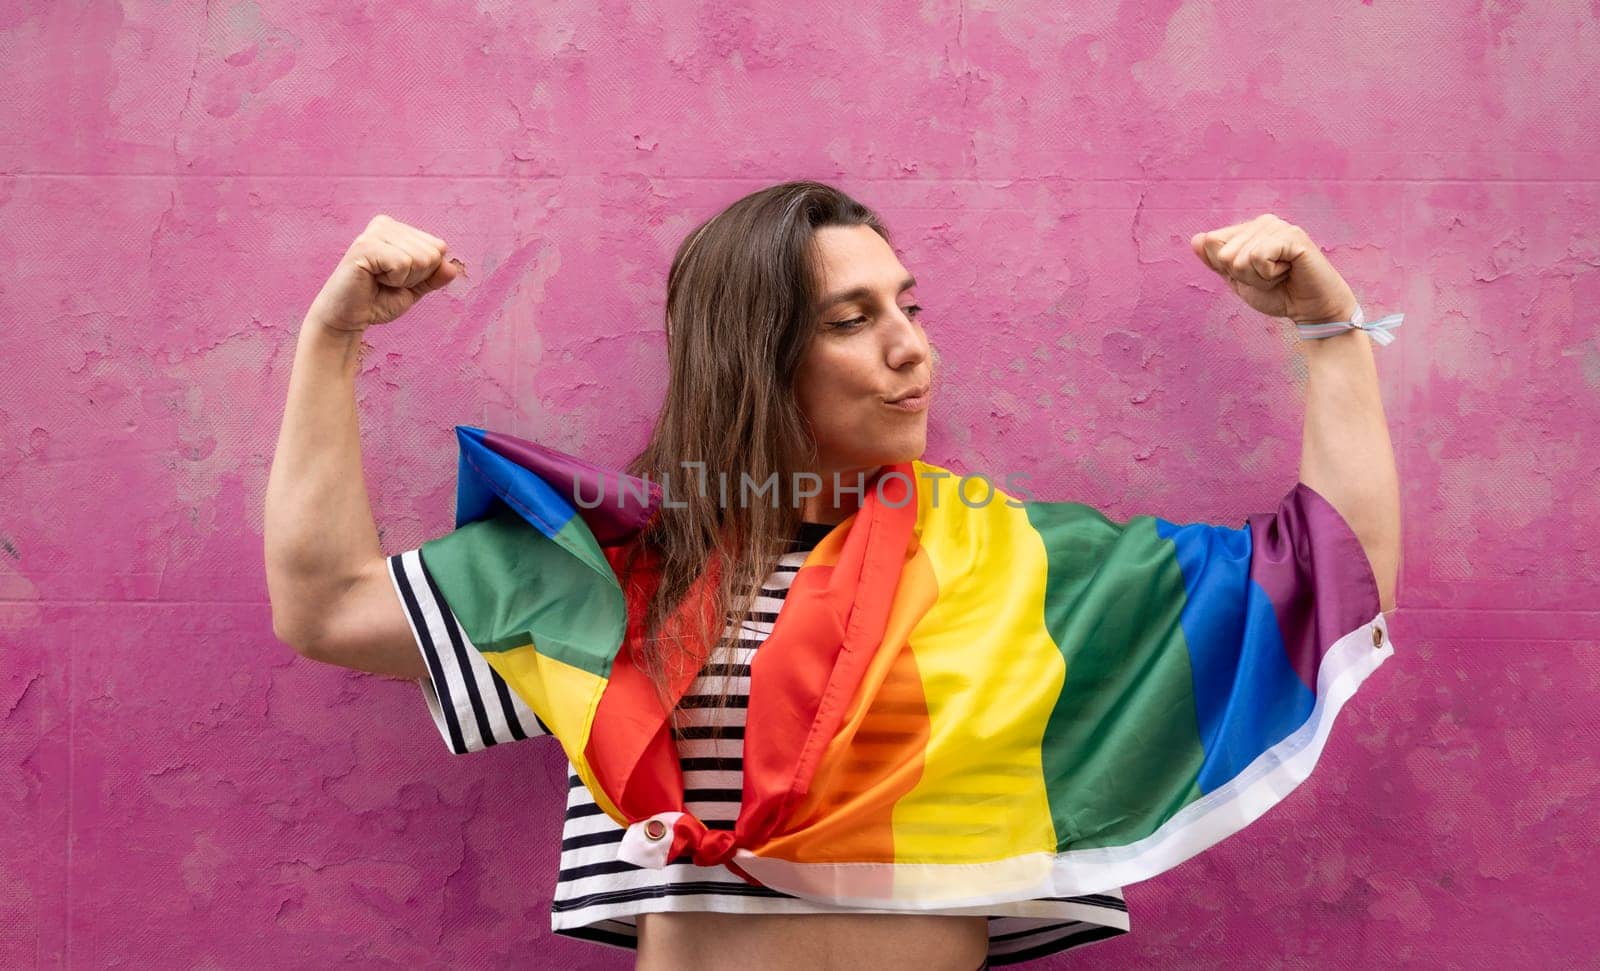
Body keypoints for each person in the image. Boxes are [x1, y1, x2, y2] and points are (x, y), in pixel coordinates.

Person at [265, 181, 1400, 970]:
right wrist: (334, 335)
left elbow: (1336, 577)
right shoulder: (622, 574)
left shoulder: (1024, 576)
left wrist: (1323, 326)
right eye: (854, 319)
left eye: (909, 305)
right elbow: (327, 604)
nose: (912, 346)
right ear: (754, 356)